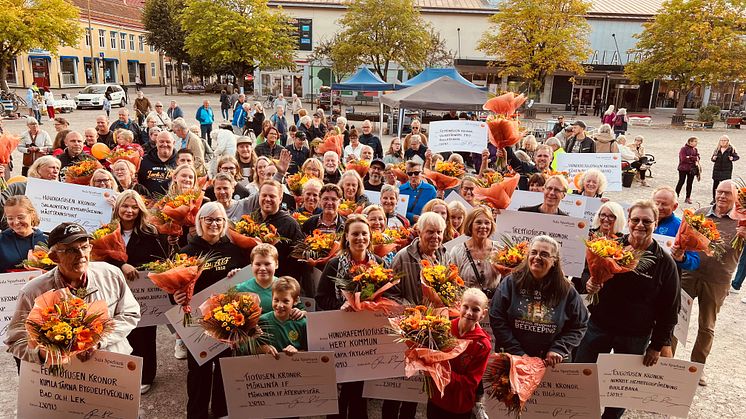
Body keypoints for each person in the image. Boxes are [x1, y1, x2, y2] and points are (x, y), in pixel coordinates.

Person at [575, 200, 680, 418]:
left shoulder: (664, 263)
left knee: (621, 390)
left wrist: (657, 345)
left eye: (646, 221)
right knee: (581, 376)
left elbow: (670, 309)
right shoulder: (609, 247)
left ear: (656, 222)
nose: (640, 225)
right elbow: (586, 272)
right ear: (628, 220)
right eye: (635, 220)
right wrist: (589, 282)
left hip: (635, 335)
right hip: (598, 325)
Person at [4, 222, 140, 367]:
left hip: (111, 368)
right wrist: (43, 353)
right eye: (71, 250)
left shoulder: (111, 274)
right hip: (65, 377)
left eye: (85, 247)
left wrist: (99, 341)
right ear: (54, 257)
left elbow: (130, 314)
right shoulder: (33, 291)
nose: (81, 255)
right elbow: (16, 340)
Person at [670, 181, 745, 385]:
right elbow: (682, 239)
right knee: (675, 318)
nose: (721, 196)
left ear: (736, 197)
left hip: (718, 279)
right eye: (719, 191)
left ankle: (697, 368)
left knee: (707, 325)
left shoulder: (743, 220)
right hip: (690, 273)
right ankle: (666, 362)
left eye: (727, 193)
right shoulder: (701, 213)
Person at [176, 203, 244, 419]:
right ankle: (196, 413)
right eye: (209, 219)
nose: (214, 224)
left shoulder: (235, 251)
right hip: (197, 323)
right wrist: (175, 297)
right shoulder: (187, 252)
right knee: (198, 371)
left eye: (219, 220)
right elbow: (175, 287)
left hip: (228, 320)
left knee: (225, 368)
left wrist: (238, 276)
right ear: (200, 222)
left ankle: (221, 411)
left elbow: (244, 284)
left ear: (225, 223)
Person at [316, 215, 382, 419]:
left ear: (370, 236)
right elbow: (320, 297)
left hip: (364, 334)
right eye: (355, 234)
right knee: (337, 384)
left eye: (364, 233)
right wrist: (341, 305)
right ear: (346, 237)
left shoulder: (378, 263)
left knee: (358, 387)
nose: (360, 238)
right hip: (340, 332)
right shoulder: (335, 264)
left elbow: (384, 295)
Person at [491, 235, 588, 365]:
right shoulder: (510, 283)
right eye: (534, 252)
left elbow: (579, 324)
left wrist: (558, 349)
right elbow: (497, 318)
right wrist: (519, 353)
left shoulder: (566, 290)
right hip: (513, 360)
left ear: (554, 261)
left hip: (549, 364)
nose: (537, 257)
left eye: (544, 254)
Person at [106, 191, 168, 394]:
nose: (129, 211)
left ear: (140, 209)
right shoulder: (106, 232)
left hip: (143, 291)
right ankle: (123, 373)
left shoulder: (150, 232)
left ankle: (146, 375)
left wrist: (138, 268)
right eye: (125, 206)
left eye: (134, 207)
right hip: (115, 290)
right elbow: (99, 256)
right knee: (120, 331)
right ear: (117, 208)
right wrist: (121, 264)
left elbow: (160, 260)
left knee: (145, 333)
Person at [426, 288, 491, 419]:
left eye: (475, 309)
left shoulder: (482, 345)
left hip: (459, 406)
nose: (469, 313)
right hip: (436, 399)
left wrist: (440, 372)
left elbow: (470, 382)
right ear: (458, 305)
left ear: (483, 314)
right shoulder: (443, 328)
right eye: (465, 307)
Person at [254, 181, 306, 289]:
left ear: (280, 199)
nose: (267, 199)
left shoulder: (290, 224)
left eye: (272, 196)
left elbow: (297, 260)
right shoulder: (250, 220)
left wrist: (288, 286)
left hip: (280, 286)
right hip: (253, 283)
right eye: (264, 195)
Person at [450, 206, 500, 293]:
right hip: (465, 304)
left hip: (494, 304)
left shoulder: (499, 250)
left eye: (487, 223)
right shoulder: (457, 252)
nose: (483, 226)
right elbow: (450, 282)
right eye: (478, 222)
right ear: (470, 225)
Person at [260, 276, 308, 358]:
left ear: (295, 301)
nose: (280, 305)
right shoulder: (262, 321)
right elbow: (248, 348)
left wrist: (297, 352)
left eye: (285, 301)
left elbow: (311, 351)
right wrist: (262, 348)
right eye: (276, 300)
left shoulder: (302, 323)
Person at [0, 196, 47, 273]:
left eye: (20, 217)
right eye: (10, 218)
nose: (16, 222)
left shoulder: (46, 241)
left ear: (32, 215)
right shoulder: (1, 240)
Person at [138, 131, 178, 196]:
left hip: (174, 203)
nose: (165, 144)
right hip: (148, 203)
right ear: (156, 143)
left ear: (173, 143)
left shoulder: (180, 161)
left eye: (168, 142)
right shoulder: (143, 161)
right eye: (161, 141)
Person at [710, 135, 739, 204]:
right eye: (721, 140)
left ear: (728, 141)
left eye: (724, 140)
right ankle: (714, 199)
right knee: (715, 185)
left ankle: (725, 198)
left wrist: (732, 158)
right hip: (717, 169)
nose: (723, 142)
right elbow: (712, 159)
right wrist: (713, 158)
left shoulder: (731, 149)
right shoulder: (717, 149)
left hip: (726, 169)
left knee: (725, 185)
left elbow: (737, 157)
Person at [675, 136, 700, 204]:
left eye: (696, 141)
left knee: (690, 183)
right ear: (690, 142)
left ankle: (688, 197)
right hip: (683, 168)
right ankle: (675, 196)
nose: (696, 143)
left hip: (692, 169)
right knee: (681, 181)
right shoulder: (683, 149)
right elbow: (683, 159)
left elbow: (698, 157)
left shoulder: (695, 149)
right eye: (694, 141)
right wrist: (693, 158)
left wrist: (690, 157)